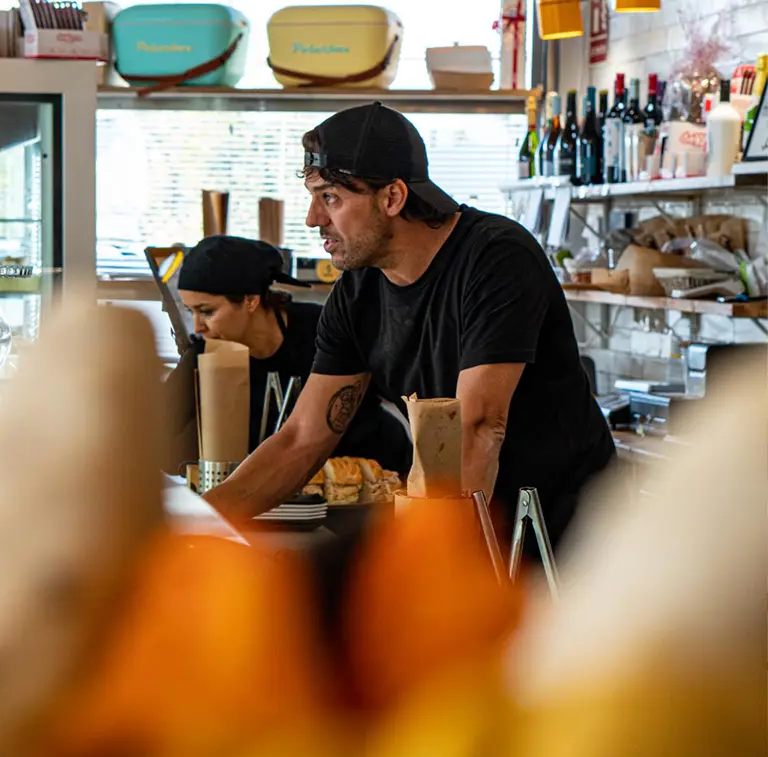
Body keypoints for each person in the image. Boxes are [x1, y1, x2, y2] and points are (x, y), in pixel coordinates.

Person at [206, 103, 615, 546]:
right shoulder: (358, 291)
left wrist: (424, 566)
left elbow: (478, 427)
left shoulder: (497, 259)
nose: (313, 218)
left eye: (331, 198)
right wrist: (198, 523)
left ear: (393, 198)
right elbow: (303, 438)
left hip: (568, 533)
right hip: (467, 517)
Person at [165, 234, 410, 475]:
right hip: (280, 491)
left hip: (374, 475)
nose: (197, 326)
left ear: (251, 300)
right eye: (191, 311)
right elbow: (156, 435)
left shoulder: (326, 330)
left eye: (207, 311)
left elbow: (406, 393)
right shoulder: (203, 353)